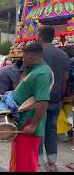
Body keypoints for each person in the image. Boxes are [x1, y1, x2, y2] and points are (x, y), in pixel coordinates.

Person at [10, 42, 53, 172]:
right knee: (19, 160)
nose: (23, 59)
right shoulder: (35, 70)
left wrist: (33, 125)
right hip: (23, 122)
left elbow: (43, 101)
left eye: (23, 56)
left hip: (28, 124)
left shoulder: (41, 73)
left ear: (30, 56)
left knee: (25, 163)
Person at [37, 26, 69, 172]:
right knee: (51, 130)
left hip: (38, 99)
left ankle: (37, 161)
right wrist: (61, 97)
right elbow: (65, 79)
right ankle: (52, 163)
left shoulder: (36, 53)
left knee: (38, 129)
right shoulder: (63, 55)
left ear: (39, 36)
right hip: (56, 99)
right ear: (53, 37)